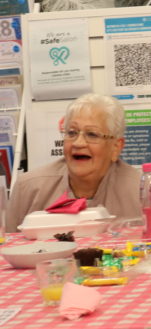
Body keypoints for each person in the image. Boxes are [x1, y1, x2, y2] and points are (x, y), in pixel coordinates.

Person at [7, 93, 141, 232]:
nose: (78, 143)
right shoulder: (29, 187)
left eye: (92, 134)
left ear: (116, 147)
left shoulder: (141, 191)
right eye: (72, 133)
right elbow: (6, 248)